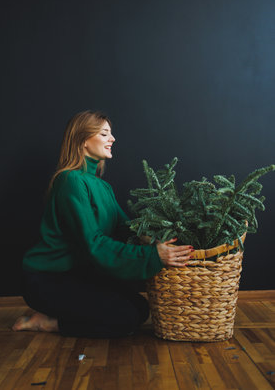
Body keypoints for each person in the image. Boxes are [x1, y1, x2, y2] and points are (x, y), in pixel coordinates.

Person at [13, 110, 194, 338]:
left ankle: (60, 314)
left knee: (141, 309)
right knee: (124, 319)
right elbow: (94, 243)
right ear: (83, 140)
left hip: (78, 275)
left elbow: (124, 227)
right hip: (47, 279)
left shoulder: (101, 186)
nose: (113, 139)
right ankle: (48, 323)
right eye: (104, 133)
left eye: (111, 133)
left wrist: (150, 239)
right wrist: (153, 256)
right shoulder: (70, 181)